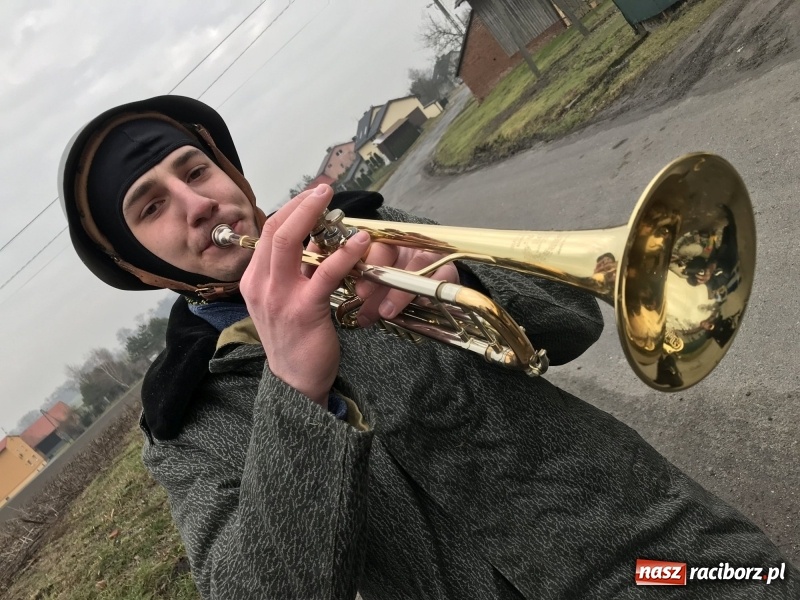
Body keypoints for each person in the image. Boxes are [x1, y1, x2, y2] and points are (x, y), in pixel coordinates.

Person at [59, 95, 798, 599]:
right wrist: (295, 392)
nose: (197, 205)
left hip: (662, 552)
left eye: (196, 170)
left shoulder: (367, 229)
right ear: (139, 265)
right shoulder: (181, 419)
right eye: (151, 207)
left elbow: (577, 322)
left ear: (233, 175)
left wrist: (464, 278)